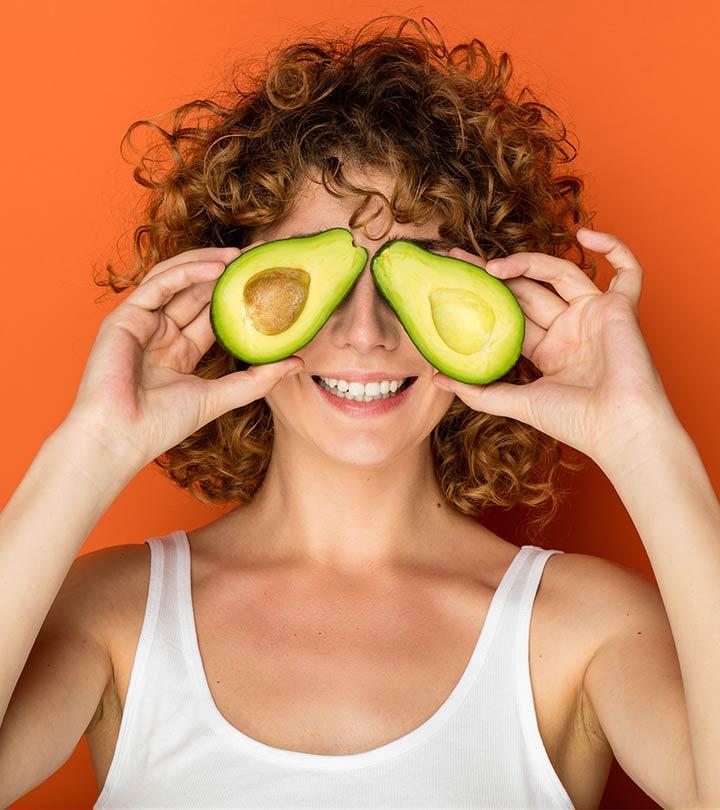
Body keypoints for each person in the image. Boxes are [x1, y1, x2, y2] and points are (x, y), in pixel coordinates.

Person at [1, 14, 718, 810]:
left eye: (416, 279)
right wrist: (91, 445)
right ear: (223, 297)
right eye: (319, 285)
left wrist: (641, 440)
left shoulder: (586, 629)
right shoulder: (113, 612)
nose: (366, 335)